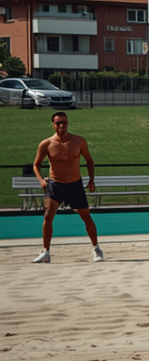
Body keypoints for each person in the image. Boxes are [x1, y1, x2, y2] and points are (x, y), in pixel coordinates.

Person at [31, 111, 102, 263]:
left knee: (86, 217)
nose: (61, 125)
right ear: (53, 125)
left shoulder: (78, 141)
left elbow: (89, 161)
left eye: (64, 122)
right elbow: (36, 165)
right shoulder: (46, 144)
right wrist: (41, 181)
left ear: (67, 123)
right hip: (55, 185)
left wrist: (91, 180)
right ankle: (46, 252)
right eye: (58, 123)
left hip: (74, 184)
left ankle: (96, 248)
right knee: (48, 216)